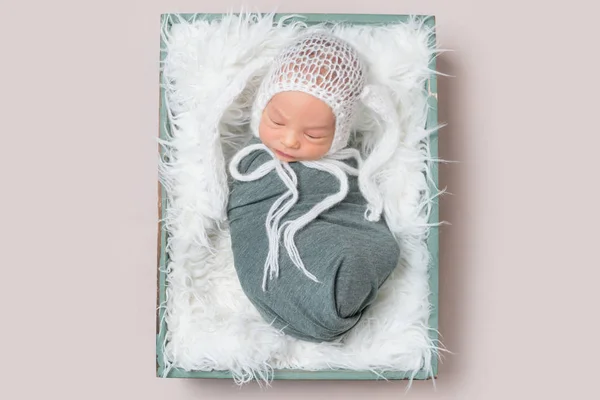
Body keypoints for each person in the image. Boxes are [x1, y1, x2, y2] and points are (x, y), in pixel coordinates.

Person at [227, 31, 400, 343]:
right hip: (282, 262)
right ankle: (306, 296)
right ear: (262, 108)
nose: (290, 140)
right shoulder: (252, 164)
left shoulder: (344, 169)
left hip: (340, 242)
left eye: (315, 135)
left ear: (339, 133)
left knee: (367, 252)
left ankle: (339, 281)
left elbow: (356, 208)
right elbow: (247, 218)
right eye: (277, 122)